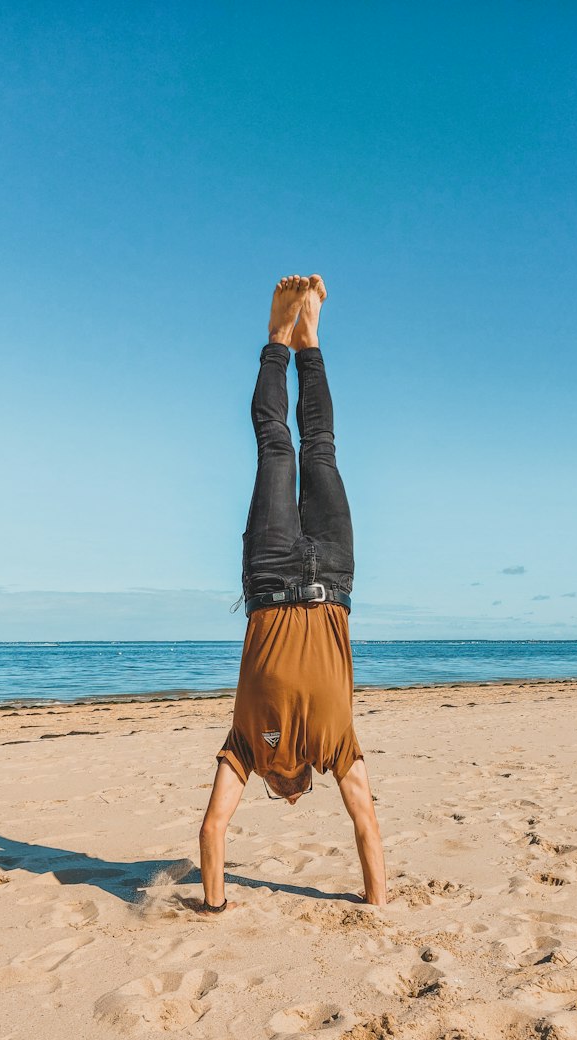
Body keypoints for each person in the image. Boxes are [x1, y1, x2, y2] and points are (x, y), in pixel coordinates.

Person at [195, 274, 388, 912]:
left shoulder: (246, 748)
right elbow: (364, 822)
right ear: (300, 785)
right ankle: (310, 340)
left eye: (282, 796)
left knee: (278, 446)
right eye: (289, 794)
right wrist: (376, 902)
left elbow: (214, 830)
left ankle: (278, 339)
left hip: (273, 573)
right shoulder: (336, 748)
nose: (289, 795)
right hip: (332, 574)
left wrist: (215, 905)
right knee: (321, 451)